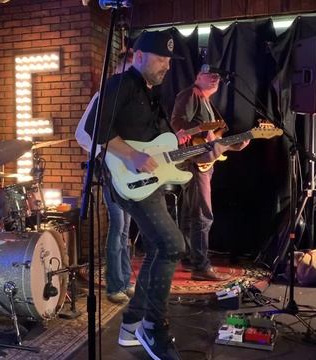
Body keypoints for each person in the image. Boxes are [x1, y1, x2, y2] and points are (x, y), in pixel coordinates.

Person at [86, 30, 228, 360]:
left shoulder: (153, 95)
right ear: (138, 56)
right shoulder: (120, 84)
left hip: (153, 183)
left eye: (168, 60)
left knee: (158, 248)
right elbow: (95, 129)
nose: (166, 65)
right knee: (172, 244)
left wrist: (209, 152)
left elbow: (167, 151)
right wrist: (131, 155)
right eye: (161, 58)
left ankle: (131, 325)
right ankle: (153, 326)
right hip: (128, 181)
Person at [170, 67, 250, 281]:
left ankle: (189, 258)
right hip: (193, 163)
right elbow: (178, 121)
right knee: (203, 215)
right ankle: (201, 267)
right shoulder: (190, 94)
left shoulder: (206, 102)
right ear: (197, 77)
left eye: (217, 76)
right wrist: (202, 131)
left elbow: (213, 144)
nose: (215, 78)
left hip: (201, 163)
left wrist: (234, 146)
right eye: (210, 74)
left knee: (191, 214)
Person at [76, 50, 135, 304]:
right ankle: (114, 285)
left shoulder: (133, 101)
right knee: (118, 225)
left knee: (126, 229)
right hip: (111, 170)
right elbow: (82, 134)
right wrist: (106, 153)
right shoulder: (104, 96)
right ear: (120, 70)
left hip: (130, 173)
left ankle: (124, 280)